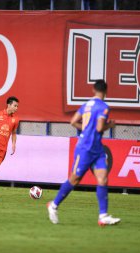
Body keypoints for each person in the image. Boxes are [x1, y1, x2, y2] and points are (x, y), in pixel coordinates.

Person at [47, 80, 121, 226]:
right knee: (74, 180)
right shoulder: (104, 107)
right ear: (106, 91)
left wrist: (86, 129)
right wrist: (110, 125)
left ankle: (103, 216)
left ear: (93, 90)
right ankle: (53, 205)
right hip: (87, 149)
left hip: (94, 148)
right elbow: (100, 128)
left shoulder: (86, 105)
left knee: (102, 179)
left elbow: (73, 121)